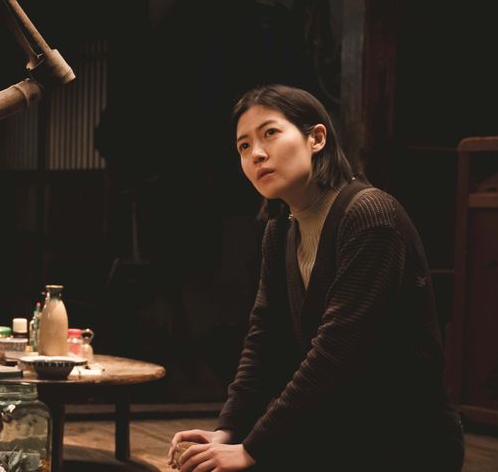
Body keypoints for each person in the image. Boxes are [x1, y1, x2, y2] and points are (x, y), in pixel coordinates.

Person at [167, 85, 463, 472]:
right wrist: (228, 430)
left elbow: (337, 351)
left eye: (270, 133)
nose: (256, 154)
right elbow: (264, 337)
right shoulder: (279, 229)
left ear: (316, 138)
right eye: (244, 146)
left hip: (401, 439)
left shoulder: (370, 214)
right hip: (333, 433)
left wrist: (251, 448)